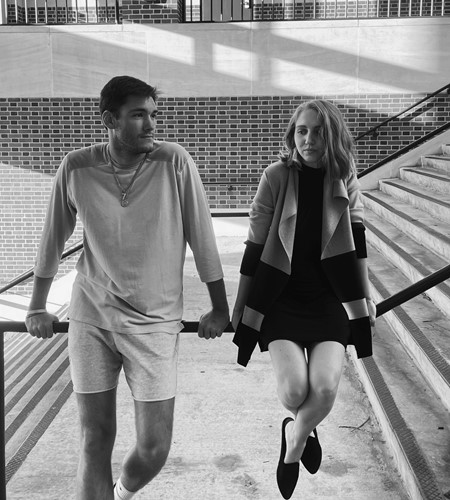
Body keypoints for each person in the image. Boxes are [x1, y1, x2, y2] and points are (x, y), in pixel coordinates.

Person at [25, 75, 230, 500]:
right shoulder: (77, 167)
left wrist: (219, 307)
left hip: (154, 322)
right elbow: (51, 240)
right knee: (94, 439)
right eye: (139, 115)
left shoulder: (174, 162)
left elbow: (203, 238)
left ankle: (121, 491)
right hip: (92, 317)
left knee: (154, 446)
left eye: (154, 114)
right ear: (110, 119)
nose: (151, 125)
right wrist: (37, 306)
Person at [231, 100, 376, 499]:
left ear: (332, 136)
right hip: (280, 298)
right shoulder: (275, 176)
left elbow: (357, 245)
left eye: (316, 131)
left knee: (325, 386)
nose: (308, 139)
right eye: (301, 130)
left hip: (329, 299)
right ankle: (299, 424)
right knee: (295, 391)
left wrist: (364, 299)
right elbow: (254, 246)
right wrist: (240, 305)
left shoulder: (344, 176)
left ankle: (293, 443)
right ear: (292, 134)